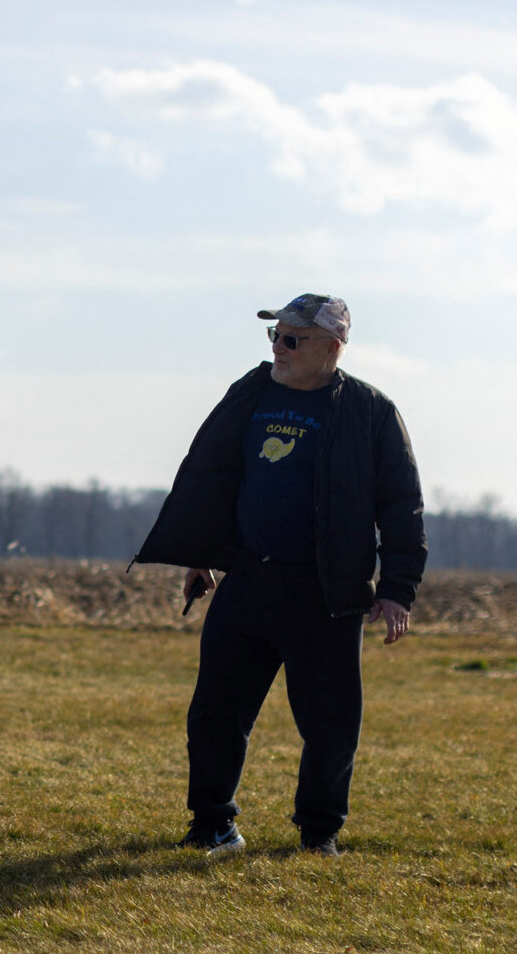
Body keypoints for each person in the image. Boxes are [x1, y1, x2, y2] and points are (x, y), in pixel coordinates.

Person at [132, 294, 425, 858]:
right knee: (215, 713)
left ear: (332, 347)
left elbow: (402, 508)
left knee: (329, 726)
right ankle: (213, 825)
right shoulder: (252, 393)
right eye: (275, 337)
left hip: (326, 595)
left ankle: (319, 835)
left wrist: (396, 590)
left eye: (292, 339)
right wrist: (203, 552)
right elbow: (215, 475)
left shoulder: (370, 412)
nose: (278, 349)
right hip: (248, 582)